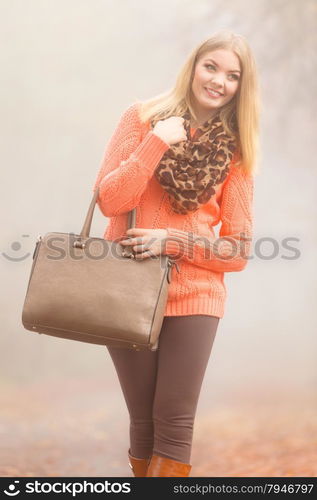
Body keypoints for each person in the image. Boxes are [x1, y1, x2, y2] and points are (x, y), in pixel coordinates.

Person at [93, 30, 260, 477]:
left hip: (196, 293)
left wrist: (172, 242)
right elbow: (110, 200)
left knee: (175, 421)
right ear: (193, 66)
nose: (219, 82)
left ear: (241, 87)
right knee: (143, 420)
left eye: (233, 76)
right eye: (212, 67)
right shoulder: (141, 117)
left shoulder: (237, 151)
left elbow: (238, 251)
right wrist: (156, 143)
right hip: (126, 289)